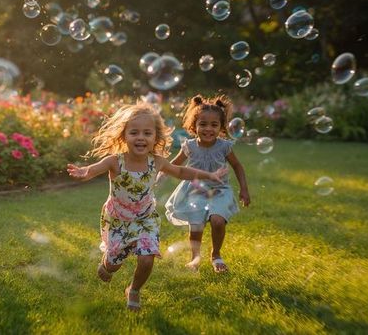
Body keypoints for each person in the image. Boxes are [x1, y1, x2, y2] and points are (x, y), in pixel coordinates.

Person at [67, 103, 227, 311]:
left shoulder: (157, 162)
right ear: (124, 136)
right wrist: (84, 172)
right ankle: (108, 263)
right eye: (134, 132)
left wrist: (209, 175)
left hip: (145, 219)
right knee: (114, 264)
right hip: (118, 220)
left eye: (147, 133)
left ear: (155, 138)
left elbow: (180, 172)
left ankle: (133, 289)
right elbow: (93, 169)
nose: (140, 137)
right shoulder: (115, 161)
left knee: (146, 258)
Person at [164, 95, 250, 274]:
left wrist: (244, 189)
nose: (208, 129)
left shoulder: (224, 146)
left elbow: (237, 166)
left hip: (219, 190)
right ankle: (194, 258)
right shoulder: (189, 146)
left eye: (214, 125)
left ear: (221, 127)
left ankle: (216, 255)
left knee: (218, 221)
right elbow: (175, 165)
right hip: (195, 190)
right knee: (196, 227)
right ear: (194, 125)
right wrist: (160, 173)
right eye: (203, 124)